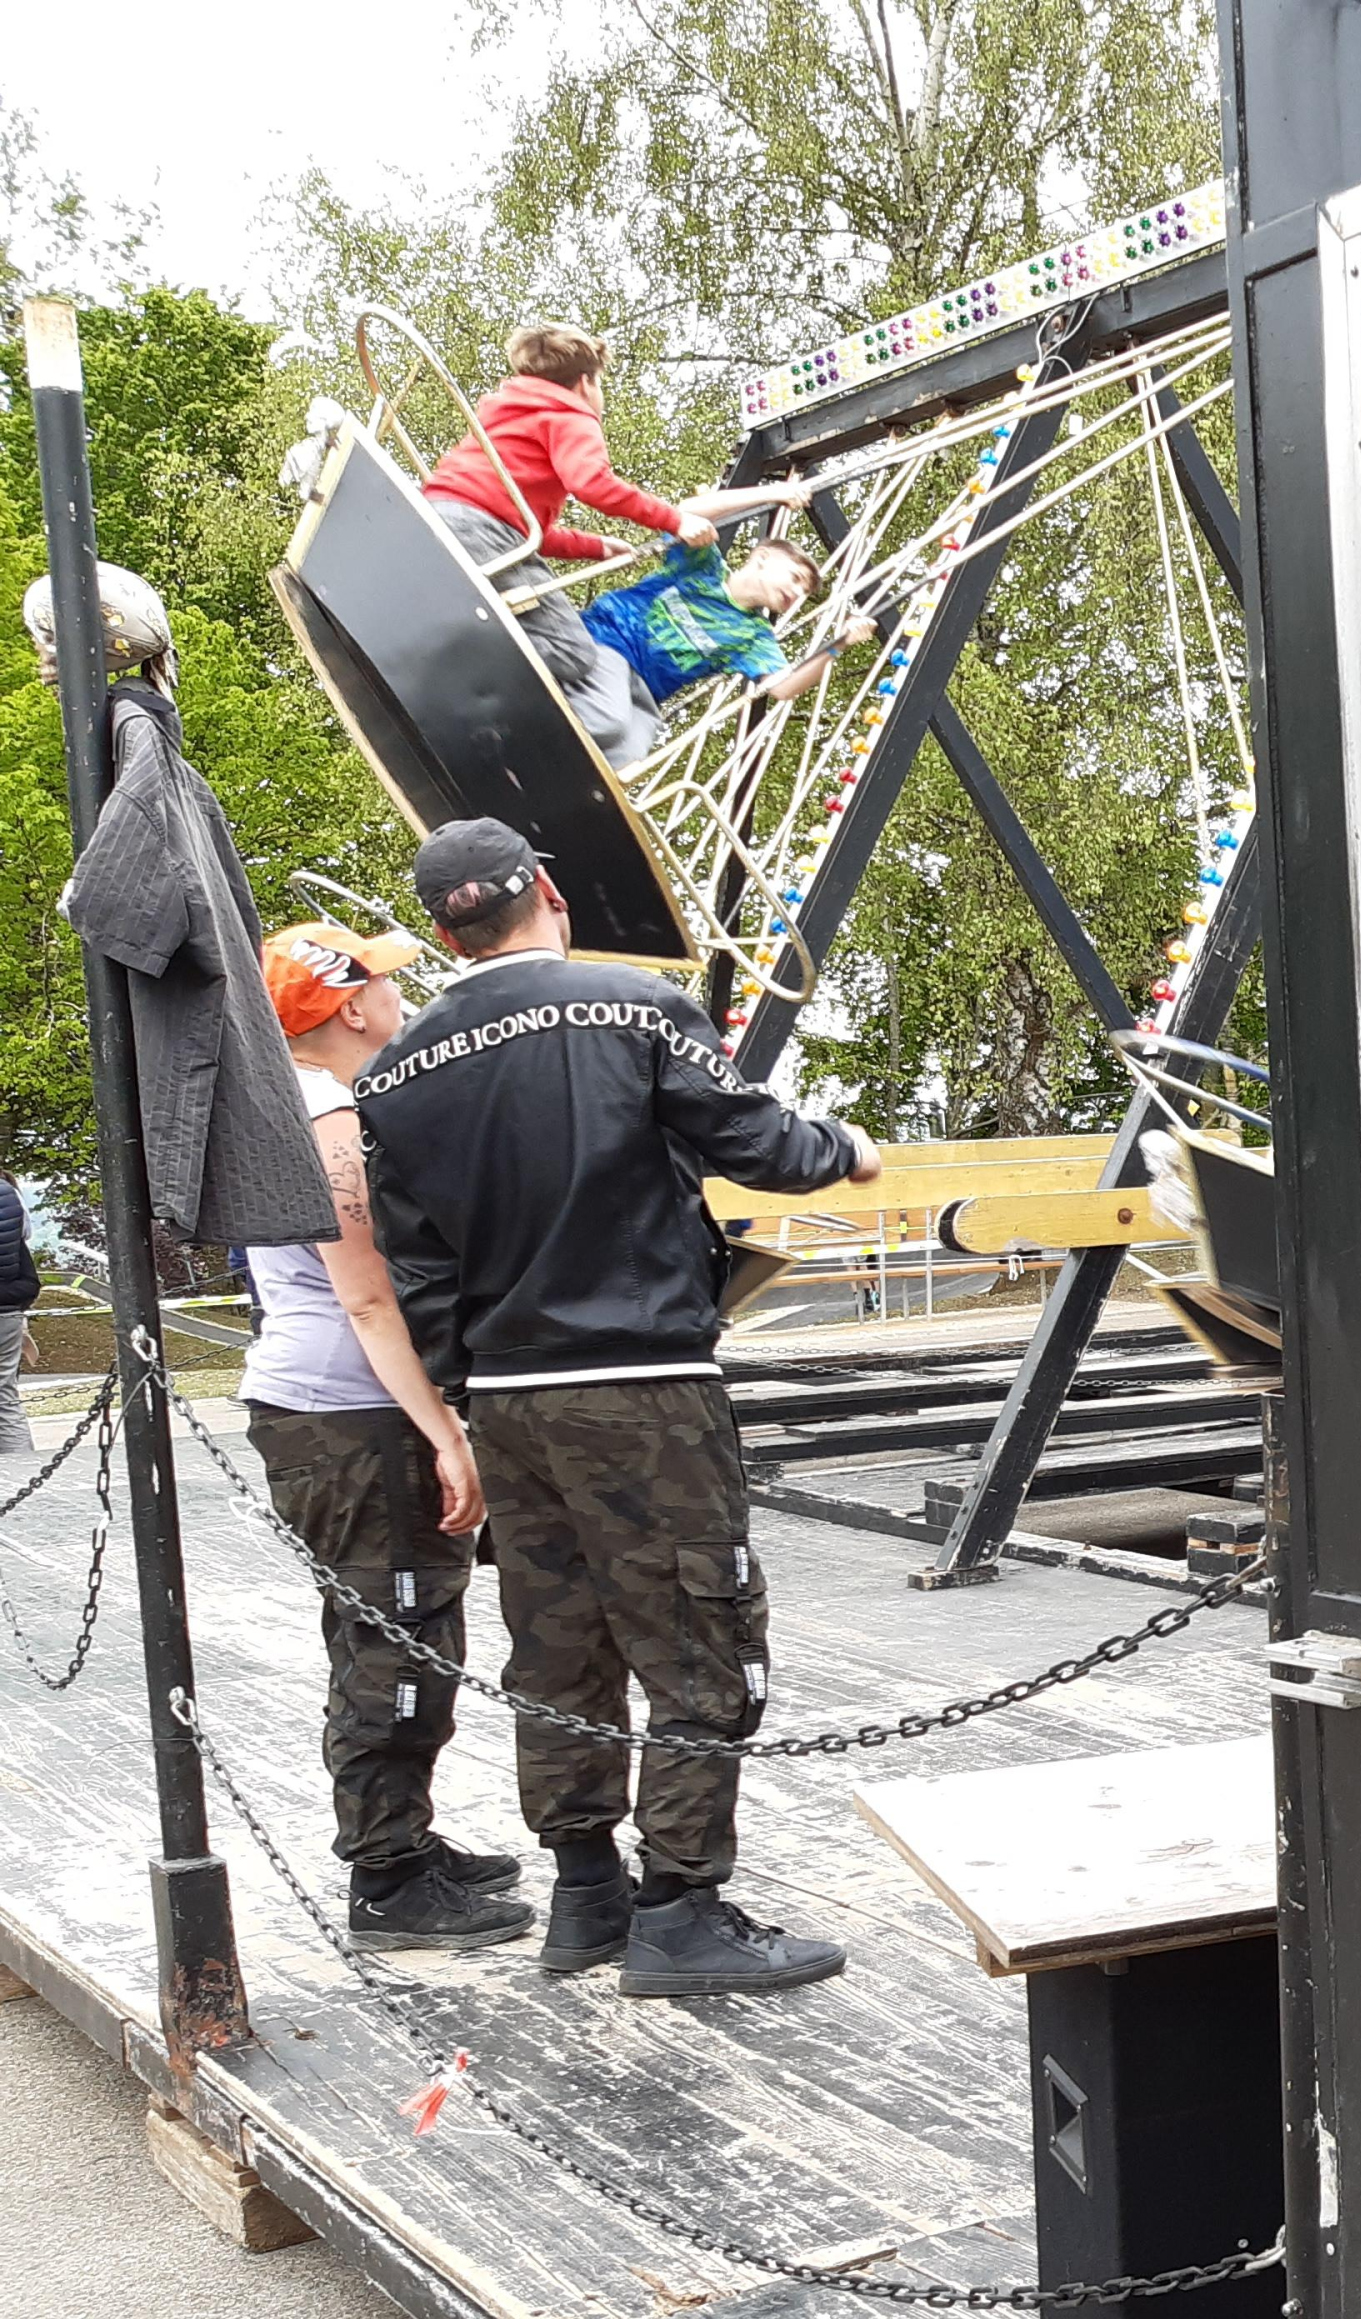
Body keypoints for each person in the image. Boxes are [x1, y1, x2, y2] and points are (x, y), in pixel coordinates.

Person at [351, 820, 885, 1995]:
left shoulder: (394, 1074)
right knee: (699, 1639)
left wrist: (469, 1391)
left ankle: (585, 1894)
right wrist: (846, 1148)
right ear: (548, 891)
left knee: (559, 1644)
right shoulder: (632, 1007)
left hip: (509, 1397)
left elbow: (418, 1266)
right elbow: (757, 1143)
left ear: (441, 931)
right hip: (643, 1381)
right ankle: (680, 1910)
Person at [245, 924, 530, 1947]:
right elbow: (368, 1298)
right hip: (355, 1412)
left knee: (387, 1629)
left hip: (332, 1406)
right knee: (401, 1635)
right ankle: (388, 1877)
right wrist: (445, 1431)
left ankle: (400, 1837)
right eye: (382, 984)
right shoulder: (327, 1119)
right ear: (351, 1007)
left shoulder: (293, 1104)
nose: (399, 997)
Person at [29, 566, 339, 1255]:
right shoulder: (145, 740)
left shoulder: (133, 735)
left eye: (47, 642)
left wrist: (82, 894)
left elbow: (125, 901)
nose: (41, 661)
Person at [417, 321, 805, 771]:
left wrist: (595, 546)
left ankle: (465, 666)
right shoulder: (572, 414)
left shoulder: (509, 408)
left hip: (443, 514)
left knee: (622, 724)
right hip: (488, 533)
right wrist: (675, 520)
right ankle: (477, 686)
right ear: (586, 382)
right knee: (572, 651)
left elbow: (526, 529)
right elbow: (592, 484)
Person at [574, 530, 875, 766]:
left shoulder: (754, 636)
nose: (797, 593)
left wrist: (839, 644)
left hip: (645, 693)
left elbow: (783, 687)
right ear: (763, 557)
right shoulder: (703, 567)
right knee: (609, 720)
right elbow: (689, 514)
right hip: (609, 642)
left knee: (628, 758)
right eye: (795, 578)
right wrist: (775, 495)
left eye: (804, 592)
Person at [0, 1172, 35, 1459]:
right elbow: (28, 1279)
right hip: (8, 1314)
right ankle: (23, 1469)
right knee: (6, 1398)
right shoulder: (10, 1196)